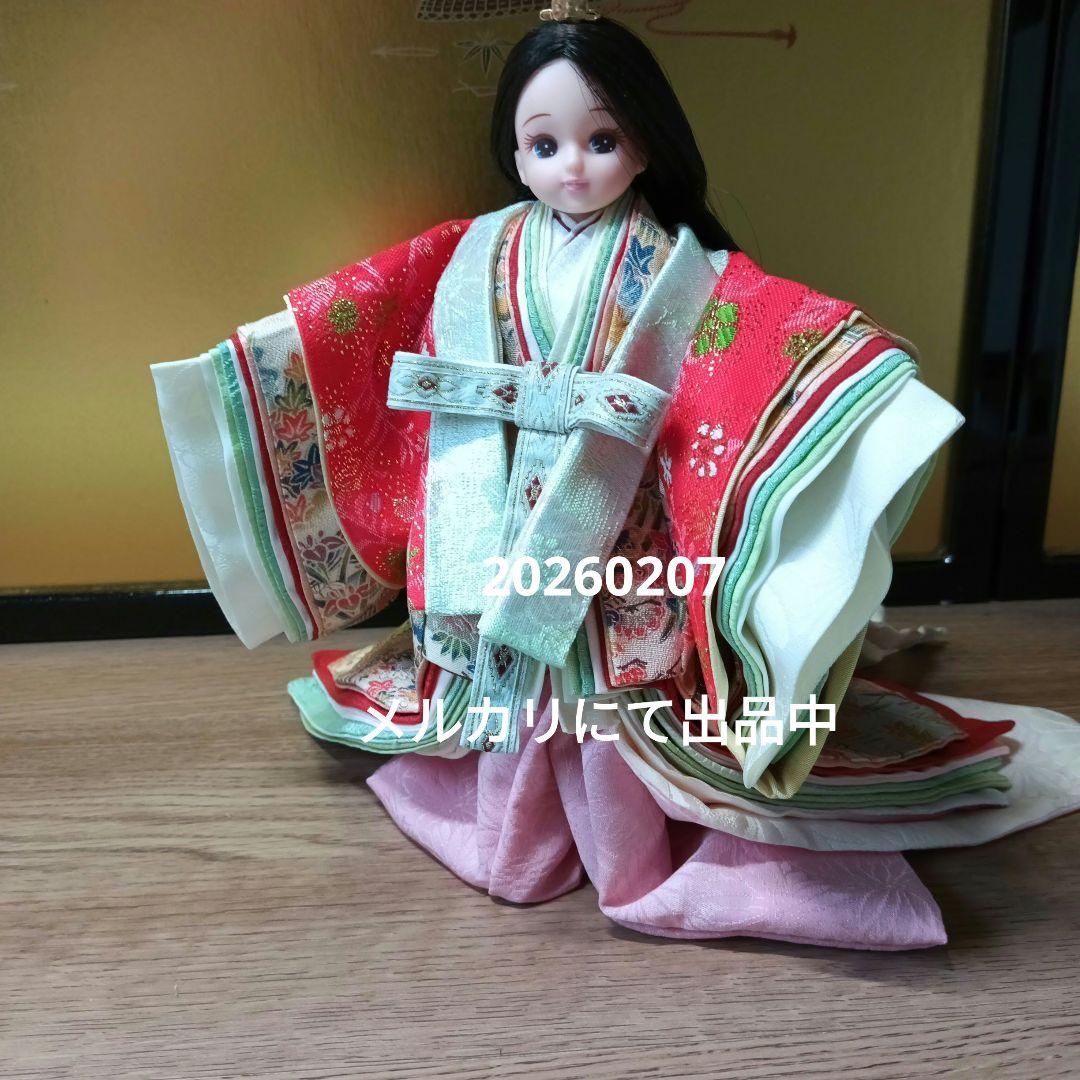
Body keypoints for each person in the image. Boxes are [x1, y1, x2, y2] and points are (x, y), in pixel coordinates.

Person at [150, 8, 1080, 949]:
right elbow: (366, 314)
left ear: (644, 143)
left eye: (601, 140)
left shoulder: (683, 269)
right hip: (502, 502)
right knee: (522, 683)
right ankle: (518, 827)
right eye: (544, 143)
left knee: (607, 693)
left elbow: (757, 340)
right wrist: (251, 362)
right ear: (514, 150)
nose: (573, 166)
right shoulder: (476, 253)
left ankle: (622, 841)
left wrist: (861, 384)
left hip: (617, 522)